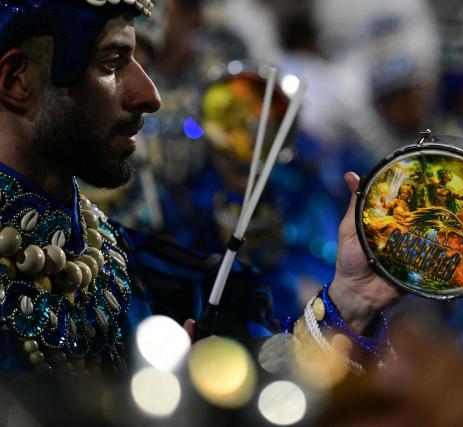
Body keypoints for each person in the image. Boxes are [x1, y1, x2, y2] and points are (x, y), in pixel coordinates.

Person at [0, 0, 400, 378]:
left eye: (143, 61)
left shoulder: (138, 268)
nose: (150, 96)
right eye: (112, 63)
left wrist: (350, 300)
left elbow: (270, 391)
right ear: (17, 80)